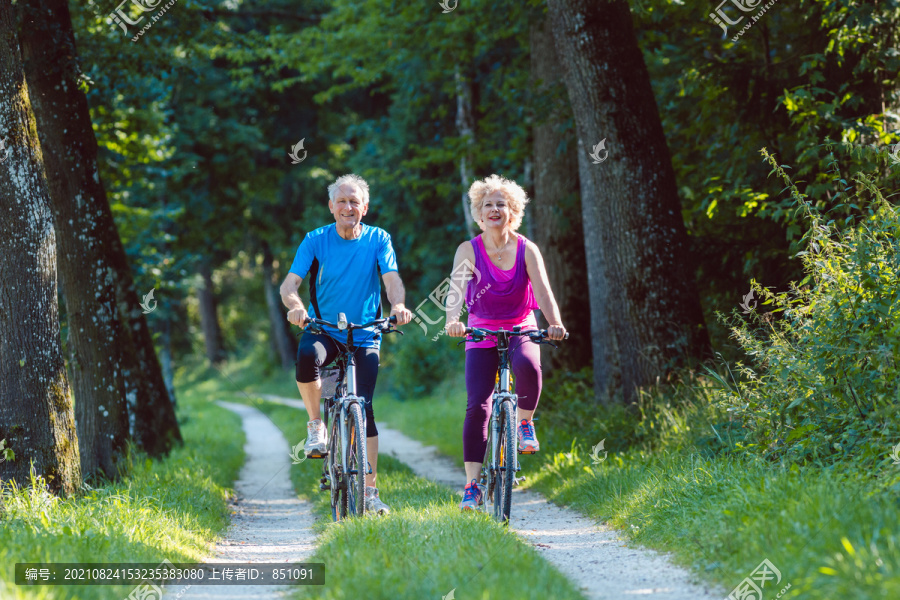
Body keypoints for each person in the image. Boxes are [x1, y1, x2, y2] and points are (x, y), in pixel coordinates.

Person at [280, 174, 413, 515]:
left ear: (364, 208)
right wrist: (296, 308)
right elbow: (289, 286)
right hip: (324, 329)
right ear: (331, 206)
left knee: (364, 409)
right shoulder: (315, 240)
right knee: (307, 355)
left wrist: (397, 305)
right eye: (342, 201)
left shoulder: (378, 239)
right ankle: (315, 425)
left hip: (366, 332)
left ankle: (369, 493)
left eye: (355, 202)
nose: (348, 207)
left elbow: (392, 279)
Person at [445, 174, 567, 511]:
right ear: (479, 214)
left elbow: (543, 291)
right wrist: (452, 322)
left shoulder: (527, 249)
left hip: (520, 325)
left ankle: (524, 422)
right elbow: (455, 293)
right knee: (477, 406)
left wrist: (554, 323)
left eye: (501, 204)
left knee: (529, 366)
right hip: (481, 330)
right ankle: (472, 485)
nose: (495, 209)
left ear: (512, 210)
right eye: (488, 205)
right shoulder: (468, 250)